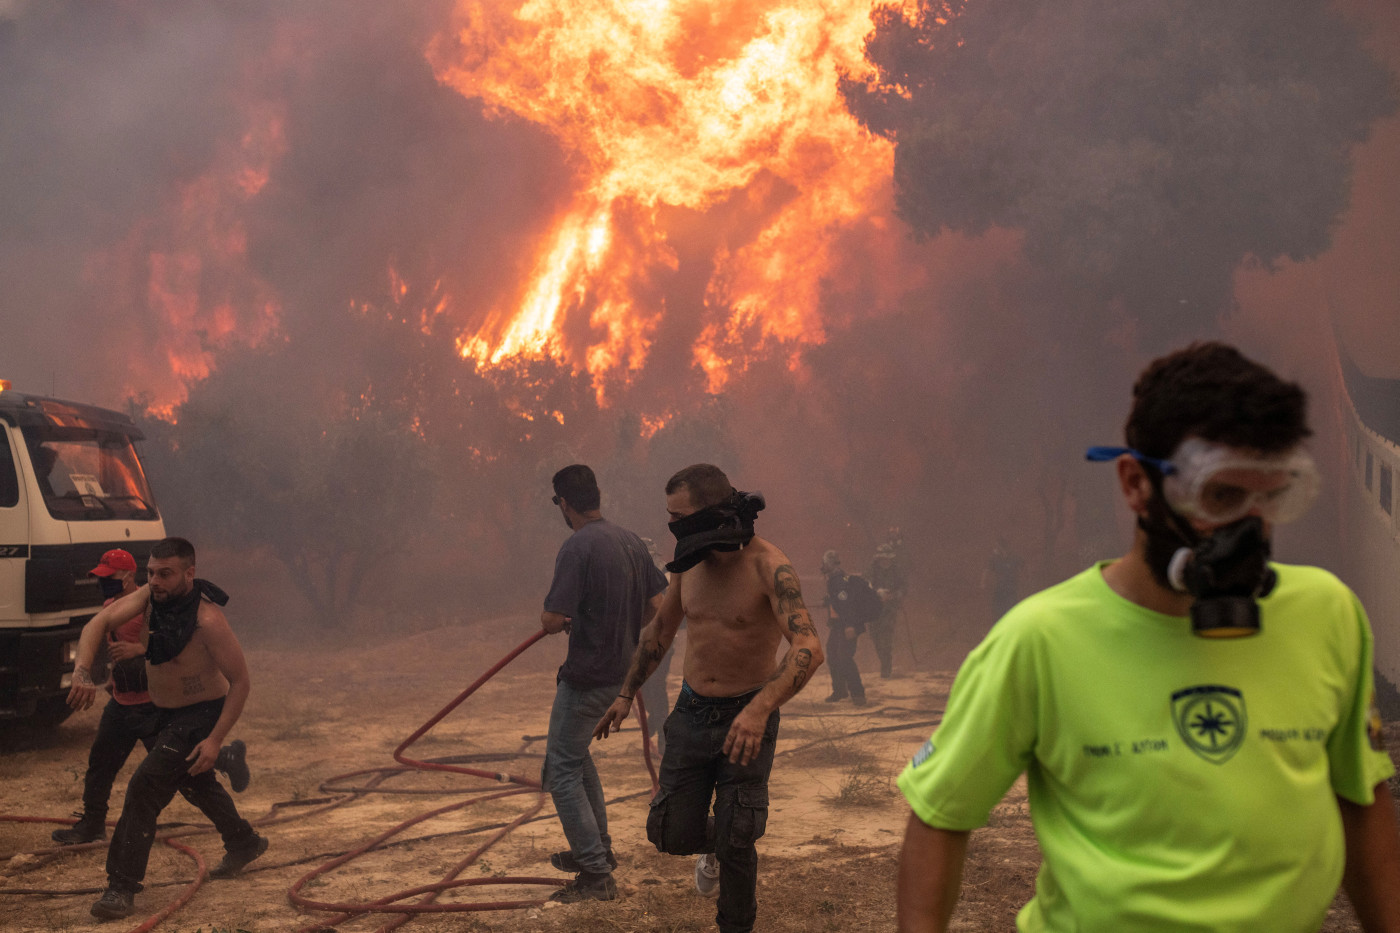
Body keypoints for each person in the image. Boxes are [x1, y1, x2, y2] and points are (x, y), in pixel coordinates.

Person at [896, 342, 1400, 932]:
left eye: (1272, 494)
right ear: (1137, 483)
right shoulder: (1040, 640)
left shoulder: (1326, 613)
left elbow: (1363, 805)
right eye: (1219, 495)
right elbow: (940, 815)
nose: (1250, 526)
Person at [593, 463, 825, 933]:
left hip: (748, 715)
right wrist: (625, 692)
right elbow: (660, 630)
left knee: (739, 836)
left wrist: (759, 711)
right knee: (669, 832)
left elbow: (809, 647)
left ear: (709, 514)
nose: (671, 524)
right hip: (693, 710)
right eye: (668, 515)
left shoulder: (769, 566)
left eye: (679, 515)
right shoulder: (687, 565)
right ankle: (715, 847)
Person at [68, 538, 266, 921]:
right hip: (161, 711)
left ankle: (120, 886)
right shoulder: (149, 596)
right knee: (192, 781)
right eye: (151, 572)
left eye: (165, 573)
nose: (155, 581)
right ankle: (244, 842)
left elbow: (240, 681)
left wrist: (214, 740)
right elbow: (99, 622)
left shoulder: (207, 621)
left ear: (189, 573)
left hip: (200, 713)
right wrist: (81, 670)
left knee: (144, 786)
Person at [52, 550, 250, 847]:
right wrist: (106, 678)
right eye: (99, 578)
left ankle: (238, 824)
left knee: (191, 781)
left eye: (109, 578)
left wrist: (139, 651)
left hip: (153, 706)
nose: (103, 583)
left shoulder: (152, 607)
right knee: (101, 765)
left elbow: (176, 654)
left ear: (129, 577)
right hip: (122, 701)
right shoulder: (112, 606)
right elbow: (102, 637)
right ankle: (93, 823)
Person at [540, 464, 668, 903]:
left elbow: (552, 619)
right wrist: (627, 631)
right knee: (576, 759)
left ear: (565, 503)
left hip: (586, 676)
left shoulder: (578, 546)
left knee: (560, 768)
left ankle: (595, 874)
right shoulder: (630, 540)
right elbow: (659, 603)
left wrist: (574, 622)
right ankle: (597, 852)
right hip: (619, 674)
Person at [819, 550, 877, 706]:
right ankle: (840, 691)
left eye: (824, 563)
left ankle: (858, 695)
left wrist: (850, 626)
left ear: (830, 564)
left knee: (844, 658)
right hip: (839, 625)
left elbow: (846, 605)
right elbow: (839, 601)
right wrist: (829, 600)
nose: (822, 566)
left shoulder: (838, 581)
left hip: (847, 625)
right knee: (832, 654)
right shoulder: (835, 579)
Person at [636, 537, 675, 756]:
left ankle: (662, 735)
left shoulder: (662, 574)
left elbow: (661, 608)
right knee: (647, 687)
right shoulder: (640, 573)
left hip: (660, 641)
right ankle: (656, 723)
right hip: (647, 640)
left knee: (656, 687)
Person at [868, 542, 907, 678]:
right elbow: (864, 585)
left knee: (886, 639)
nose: (885, 561)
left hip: (889, 609)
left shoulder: (896, 570)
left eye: (887, 558)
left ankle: (886, 668)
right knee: (875, 637)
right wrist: (876, 592)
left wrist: (893, 595)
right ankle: (884, 662)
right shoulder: (872, 569)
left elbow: (903, 587)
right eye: (882, 558)